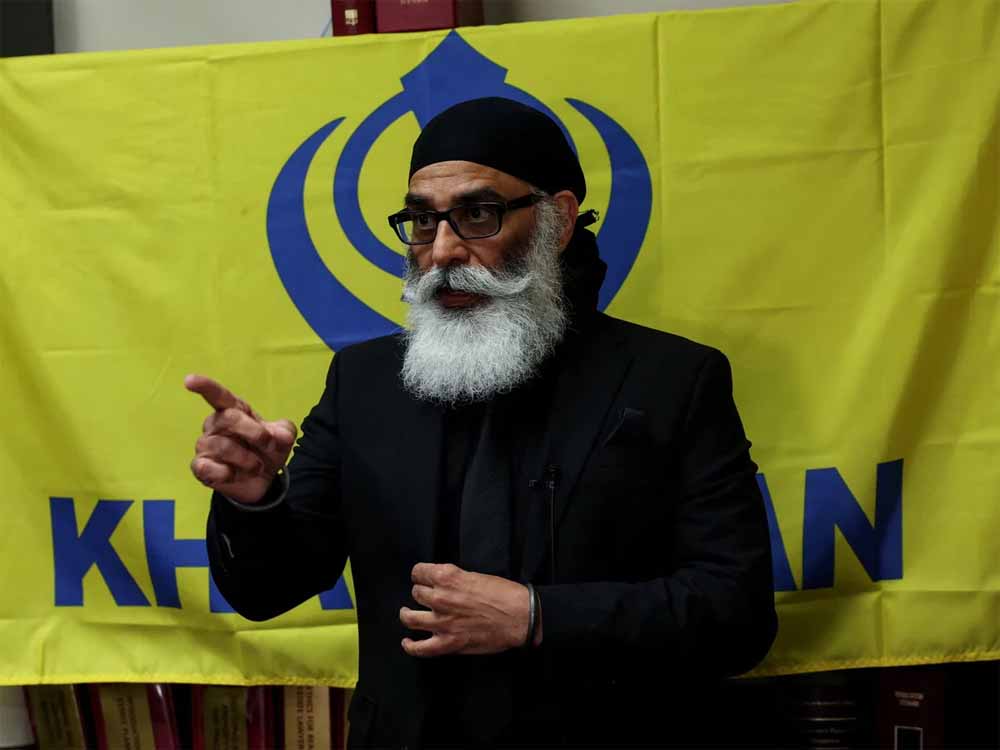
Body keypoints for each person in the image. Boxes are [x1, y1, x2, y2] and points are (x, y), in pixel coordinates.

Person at [188, 97, 777, 749]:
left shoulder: (671, 380)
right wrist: (254, 500)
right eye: (422, 221)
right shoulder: (363, 384)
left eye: (477, 214)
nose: (442, 250)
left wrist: (538, 616)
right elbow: (267, 590)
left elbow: (738, 617)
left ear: (557, 220)